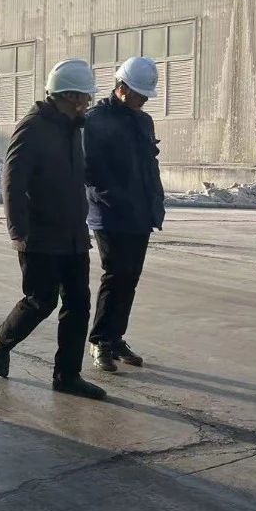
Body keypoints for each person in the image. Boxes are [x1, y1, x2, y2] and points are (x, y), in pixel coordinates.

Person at [0, 59, 107, 401]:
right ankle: (2, 338)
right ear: (68, 96)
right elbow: (12, 182)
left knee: (78, 304)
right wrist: (18, 231)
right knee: (41, 301)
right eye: (84, 96)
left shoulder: (73, 129)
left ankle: (67, 376)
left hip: (73, 235)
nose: (88, 102)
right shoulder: (33, 128)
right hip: (39, 235)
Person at [84, 56, 166, 372]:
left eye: (146, 95)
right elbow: (90, 169)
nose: (144, 100)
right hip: (109, 214)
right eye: (140, 94)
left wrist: (155, 201)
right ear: (122, 87)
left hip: (139, 213)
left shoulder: (143, 121)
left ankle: (115, 337)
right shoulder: (96, 119)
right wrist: (115, 197)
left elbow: (150, 164)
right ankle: (100, 341)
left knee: (130, 277)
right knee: (115, 274)